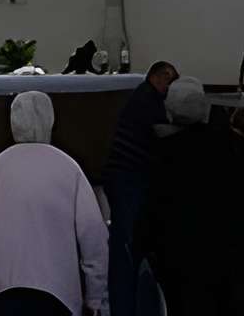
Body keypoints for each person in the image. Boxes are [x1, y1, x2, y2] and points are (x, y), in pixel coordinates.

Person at [137, 75, 244, 316]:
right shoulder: (233, 145)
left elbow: (148, 211)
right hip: (235, 265)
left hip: (184, 266)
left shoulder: (159, 154)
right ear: (204, 108)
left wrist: (147, 249)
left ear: (169, 110)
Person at [0, 90, 110, 316]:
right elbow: (93, 233)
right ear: (50, 120)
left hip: (0, 287)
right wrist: (95, 296)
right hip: (57, 289)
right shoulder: (68, 166)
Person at [104, 59, 175, 316]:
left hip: (127, 176)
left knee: (130, 243)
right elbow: (162, 134)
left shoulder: (145, 97)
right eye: (169, 79)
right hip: (127, 178)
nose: (170, 86)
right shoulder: (148, 99)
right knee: (127, 244)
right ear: (157, 77)